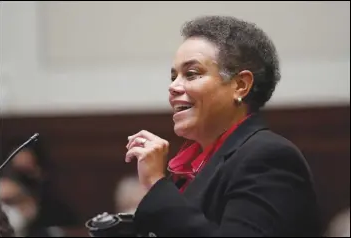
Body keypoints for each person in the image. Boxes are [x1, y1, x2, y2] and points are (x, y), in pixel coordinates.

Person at [124, 15, 320, 237]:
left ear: (240, 85)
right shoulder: (193, 165)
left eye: (191, 74)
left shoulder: (269, 157)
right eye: (173, 76)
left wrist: (155, 183)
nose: (173, 87)